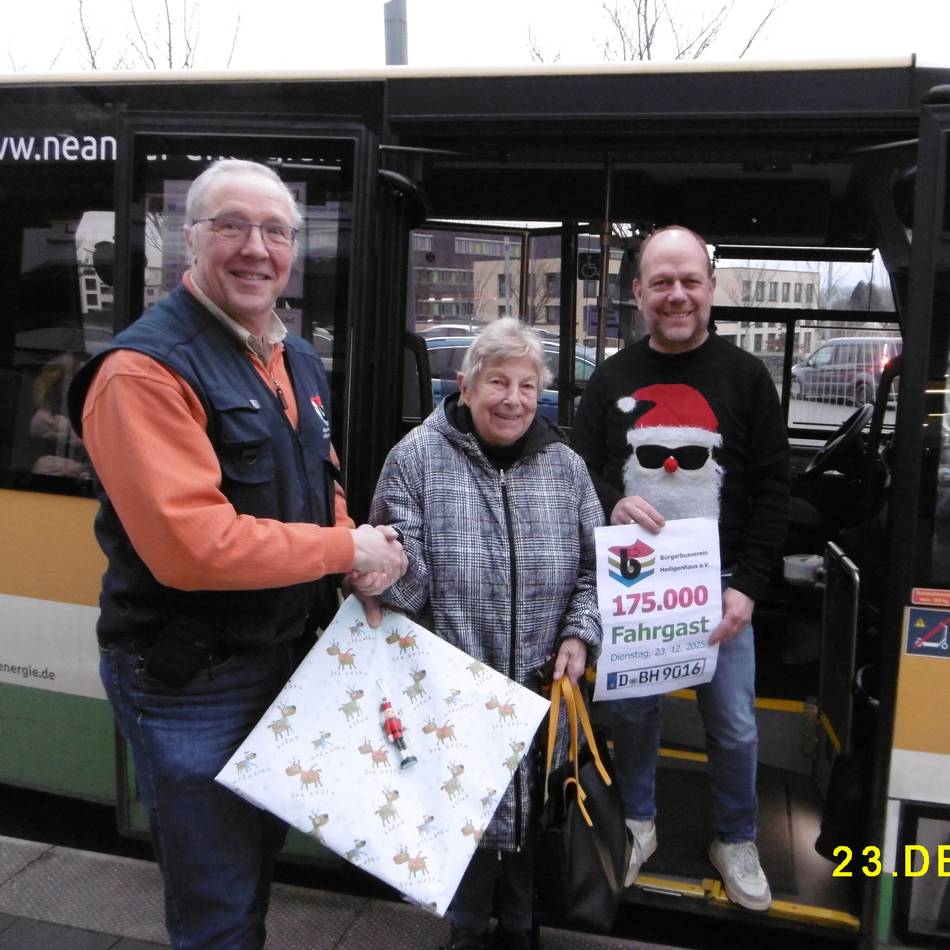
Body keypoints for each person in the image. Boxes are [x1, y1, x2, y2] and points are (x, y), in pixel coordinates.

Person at [66, 158, 407, 950]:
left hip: (281, 659)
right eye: (232, 226)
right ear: (192, 240)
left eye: (277, 231)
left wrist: (352, 554)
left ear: (294, 250)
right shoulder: (142, 372)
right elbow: (194, 548)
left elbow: (314, 480)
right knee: (217, 904)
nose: (257, 248)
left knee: (255, 866)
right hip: (194, 680)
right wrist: (339, 546)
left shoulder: (295, 357)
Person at [571, 225, 790, 912]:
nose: (677, 295)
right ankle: (637, 821)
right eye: (661, 282)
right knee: (633, 715)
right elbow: (576, 477)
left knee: (735, 726)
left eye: (689, 281)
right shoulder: (610, 378)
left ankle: (736, 836)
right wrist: (614, 500)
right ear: (638, 292)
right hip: (634, 591)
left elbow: (775, 488)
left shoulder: (747, 378)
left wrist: (749, 588)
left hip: (722, 593)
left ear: (710, 287)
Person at [368, 318, 603, 950]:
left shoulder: (567, 467)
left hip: (542, 690)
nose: (513, 398)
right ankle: (467, 932)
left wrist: (580, 634)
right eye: (497, 381)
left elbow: (595, 571)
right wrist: (371, 569)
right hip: (453, 690)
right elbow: (401, 589)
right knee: (464, 819)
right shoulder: (414, 459)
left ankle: (523, 929)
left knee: (531, 815)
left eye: (528, 385)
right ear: (465, 385)